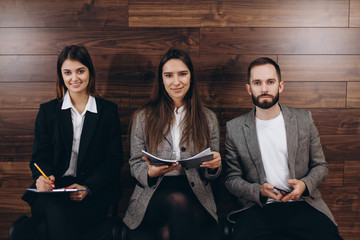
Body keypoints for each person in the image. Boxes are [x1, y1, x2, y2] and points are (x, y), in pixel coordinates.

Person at [224, 57, 342, 240]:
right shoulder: (234, 128)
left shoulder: (304, 119)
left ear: (280, 86)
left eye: (270, 82)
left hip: (302, 203)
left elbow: (321, 166)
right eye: (257, 83)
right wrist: (259, 191)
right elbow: (232, 179)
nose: (264, 89)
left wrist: (304, 185)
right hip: (257, 208)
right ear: (249, 89)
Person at [18, 45, 123, 240]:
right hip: (53, 190)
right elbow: (39, 156)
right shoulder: (48, 111)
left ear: (90, 72)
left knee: (55, 221)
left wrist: (88, 187)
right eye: (68, 72)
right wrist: (43, 177)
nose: (74, 78)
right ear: (61, 75)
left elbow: (114, 160)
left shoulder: (107, 111)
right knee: (57, 207)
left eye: (80, 71)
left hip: (91, 193)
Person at [123, 48, 222, 240]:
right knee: (178, 202)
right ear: (161, 80)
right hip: (153, 193)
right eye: (169, 75)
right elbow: (135, 163)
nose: (176, 82)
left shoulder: (208, 118)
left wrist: (214, 166)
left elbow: (212, 173)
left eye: (182, 74)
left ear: (191, 77)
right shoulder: (143, 117)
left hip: (196, 193)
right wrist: (149, 172)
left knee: (167, 232)